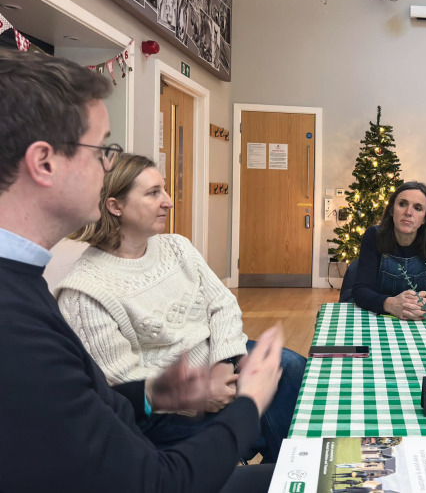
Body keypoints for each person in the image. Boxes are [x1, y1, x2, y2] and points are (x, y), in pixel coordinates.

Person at [0, 48, 284, 493]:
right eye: (103, 150)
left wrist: (153, 395)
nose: (108, 165)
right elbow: (151, 479)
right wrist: (248, 402)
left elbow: (89, 406)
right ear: (44, 163)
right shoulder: (21, 318)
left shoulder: (21, 281)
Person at [55, 153, 306, 464]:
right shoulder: (84, 292)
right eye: (153, 193)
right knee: (265, 413)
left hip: (215, 363)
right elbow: (121, 385)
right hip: (166, 406)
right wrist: (199, 391)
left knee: (290, 365)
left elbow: (222, 305)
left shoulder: (178, 247)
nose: (169, 201)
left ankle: (280, 469)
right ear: (114, 206)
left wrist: (224, 362)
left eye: (165, 189)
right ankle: (278, 469)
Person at [351, 182, 426, 319]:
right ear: (391, 210)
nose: (408, 212)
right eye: (402, 204)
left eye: (418, 208)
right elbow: (360, 290)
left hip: (422, 322)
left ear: (425, 218)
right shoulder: (374, 236)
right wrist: (389, 304)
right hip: (379, 319)